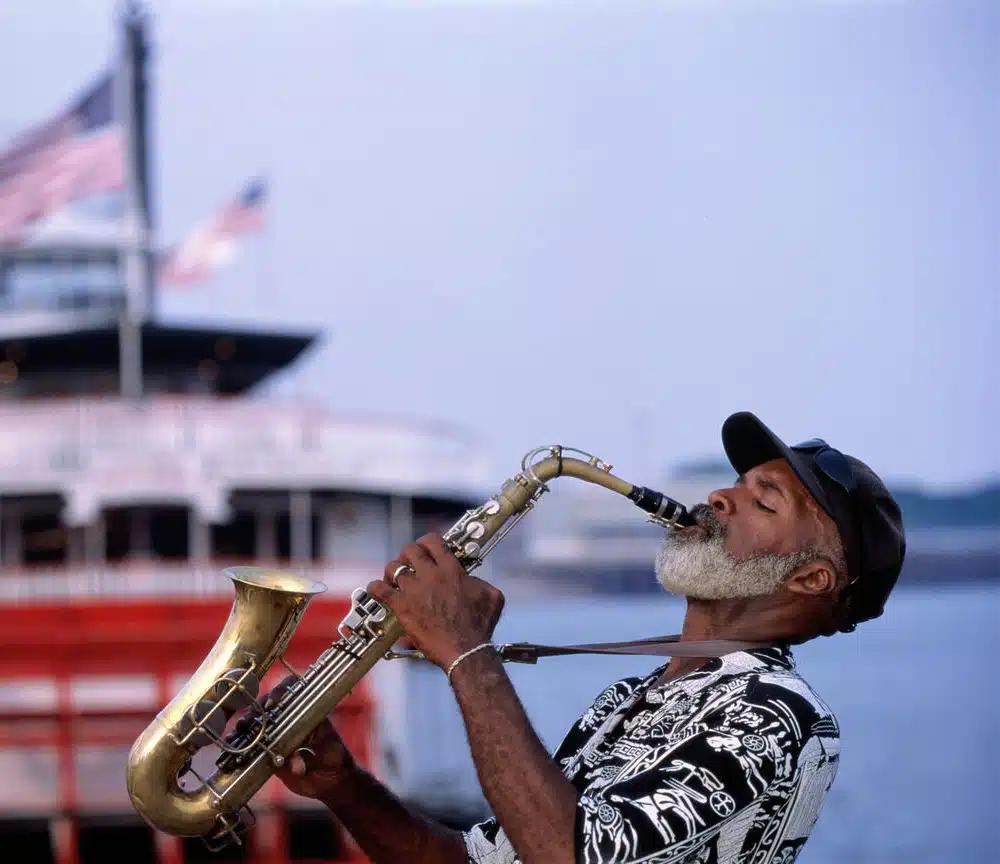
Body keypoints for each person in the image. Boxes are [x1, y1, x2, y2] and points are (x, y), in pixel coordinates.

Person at [272, 411, 905, 864]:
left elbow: (570, 855)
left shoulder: (779, 715)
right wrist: (343, 785)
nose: (718, 497)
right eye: (735, 485)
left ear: (811, 577)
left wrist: (467, 654)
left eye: (762, 502)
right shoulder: (626, 698)